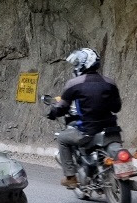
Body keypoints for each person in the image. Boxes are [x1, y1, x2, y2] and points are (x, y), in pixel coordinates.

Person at [45, 48, 121, 189]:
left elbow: (62, 107)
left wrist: (53, 112)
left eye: (76, 63)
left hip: (88, 131)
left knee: (62, 138)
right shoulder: (110, 83)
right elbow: (117, 107)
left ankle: (70, 177)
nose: (75, 66)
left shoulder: (74, 83)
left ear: (82, 64)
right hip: (112, 130)